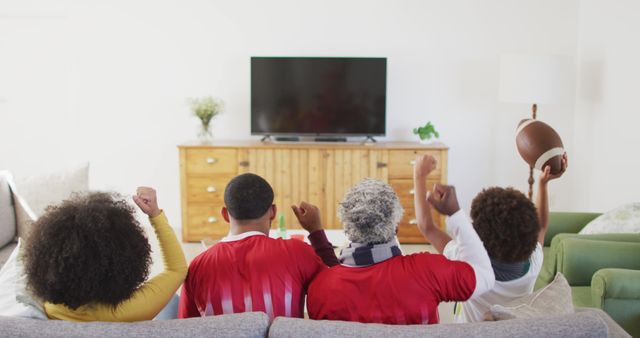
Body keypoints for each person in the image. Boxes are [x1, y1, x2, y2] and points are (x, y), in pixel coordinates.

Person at [306, 176, 495, 325]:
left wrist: (316, 233)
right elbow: (485, 276)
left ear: (347, 227)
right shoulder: (426, 271)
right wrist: (454, 213)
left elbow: (339, 277)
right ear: (395, 228)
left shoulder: (319, 289)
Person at [413, 153, 567, 322]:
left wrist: (419, 174)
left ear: (479, 240)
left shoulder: (467, 265)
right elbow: (542, 226)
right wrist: (543, 184)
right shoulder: (533, 262)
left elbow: (426, 227)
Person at [178, 173, 338, 319]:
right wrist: (316, 231)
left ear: (225, 215)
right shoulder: (299, 252)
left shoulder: (197, 266)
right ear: (273, 212)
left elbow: (186, 328)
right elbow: (339, 286)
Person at [24, 187, 187, 322]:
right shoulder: (131, 310)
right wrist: (155, 214)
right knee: (172, 301)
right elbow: (176, 270)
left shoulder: (49, 307)